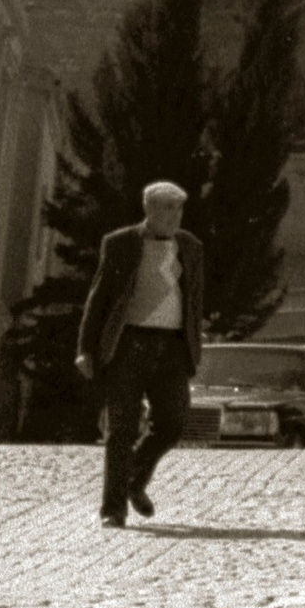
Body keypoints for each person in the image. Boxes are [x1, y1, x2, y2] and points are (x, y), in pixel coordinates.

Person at [76, 178, 208, 523]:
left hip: (174, 347)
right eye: (166, 207)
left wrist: (195, 346)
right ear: (148, 208)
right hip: (129, 345)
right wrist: (86, 349)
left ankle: (134, 481)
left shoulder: (190, 247)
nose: (174, 215)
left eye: (178, 208)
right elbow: (99, 298)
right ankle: (113, 510)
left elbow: (194, 300)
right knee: (121, 428)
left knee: (173, 422)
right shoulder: (120, 243)